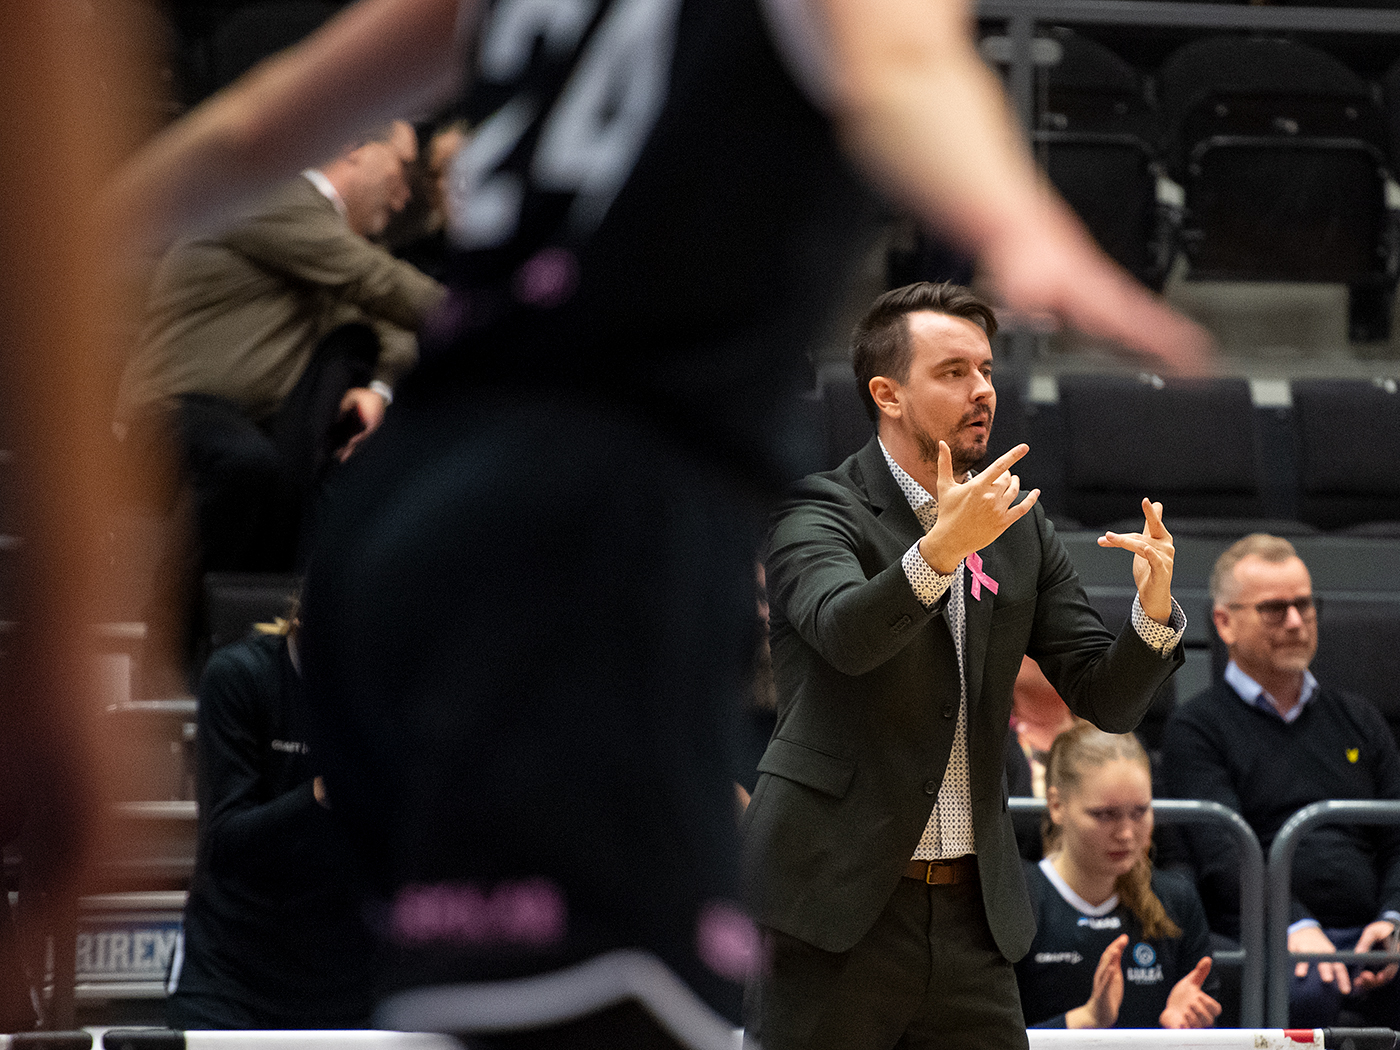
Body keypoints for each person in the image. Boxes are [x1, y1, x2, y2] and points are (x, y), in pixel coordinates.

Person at [105, 0, 1211, 1043]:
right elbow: (904, 63)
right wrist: (1018, 219)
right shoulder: (833, 511)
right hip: (592, 526)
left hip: (409, 521)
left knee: (504, 1012)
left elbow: (259, 121)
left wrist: (80, 229)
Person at [742, 281, 1187, 1050]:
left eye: (985, 369)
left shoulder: (1018, 527)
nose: (983, 390)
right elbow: (845, 634)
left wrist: (1151, 615)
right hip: (833, 906)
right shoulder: (815, 510)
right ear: (887, 394)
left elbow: (1103, 700)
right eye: (953, 372)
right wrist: (942, 549)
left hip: (971, 920)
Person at [115, 119, 446, 576]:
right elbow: (378, 282)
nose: (404, 196)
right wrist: (487, 312)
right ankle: (165, 616)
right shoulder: (273, 197)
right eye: (403, 168)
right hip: (171, 411)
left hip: (241, 421)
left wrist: (377, 390)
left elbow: (387, 326)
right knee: (243, 463)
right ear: (352, 145)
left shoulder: (325, 240)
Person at [1162, 533, 1400, 1027]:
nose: (1295, 622)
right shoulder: (1197, 728)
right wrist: (1294, 923)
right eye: (1274, 609)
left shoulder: (1360, 718)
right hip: (1264, 936)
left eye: (1304, 605)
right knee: (1308, 991)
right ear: (1224, 623)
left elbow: (1398, 838)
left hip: (1371, 933)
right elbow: (1223, 854)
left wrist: (1393, 920)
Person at [167, 598, 376, 1030]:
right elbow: (225, 841)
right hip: (233, 981)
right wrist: (321, 793)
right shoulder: (241, 676)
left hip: (353, 980)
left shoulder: (391, 688)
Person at [1016, 723, 1219, 1030]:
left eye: (1140, 812)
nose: (1126, 833)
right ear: (1057, 806)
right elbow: (990, 1038)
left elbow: (1210, 1035)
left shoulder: (1176, 901)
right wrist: (1085, 1020)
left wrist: (1180, 1033)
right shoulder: (1018, 900)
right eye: (1104, 815)